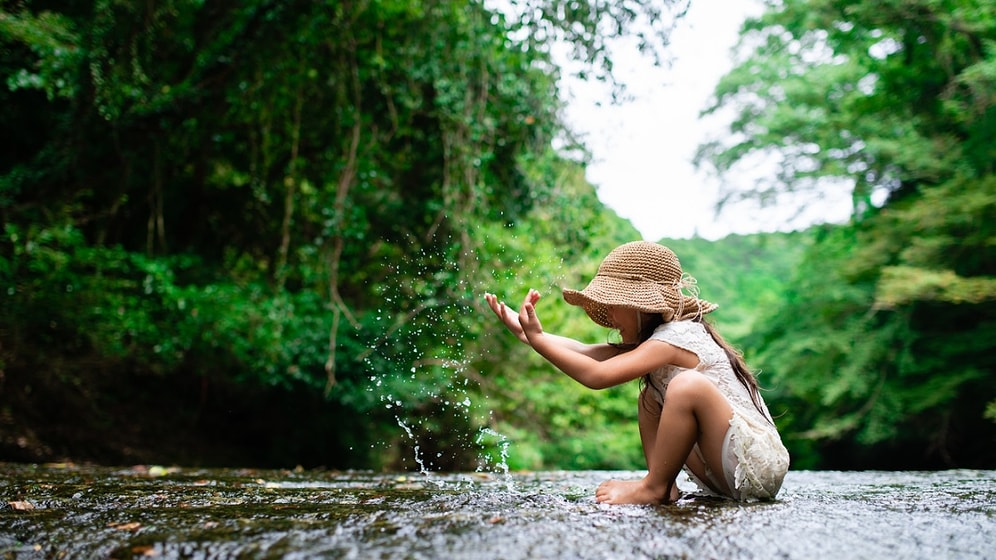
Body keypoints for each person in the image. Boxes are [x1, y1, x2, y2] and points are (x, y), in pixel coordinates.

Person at [484, 241, 790, 505]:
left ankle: (653, 488)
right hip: (723, 470)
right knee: (650, 398)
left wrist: (537, 340)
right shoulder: (653, 342)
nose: (611, 316)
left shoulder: (677, 337)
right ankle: (666, 486)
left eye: (615, 305)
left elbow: (596, 375)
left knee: (686, 386)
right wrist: (530, 336)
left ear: (642, 306)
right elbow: (585, 352)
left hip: (753, 467)